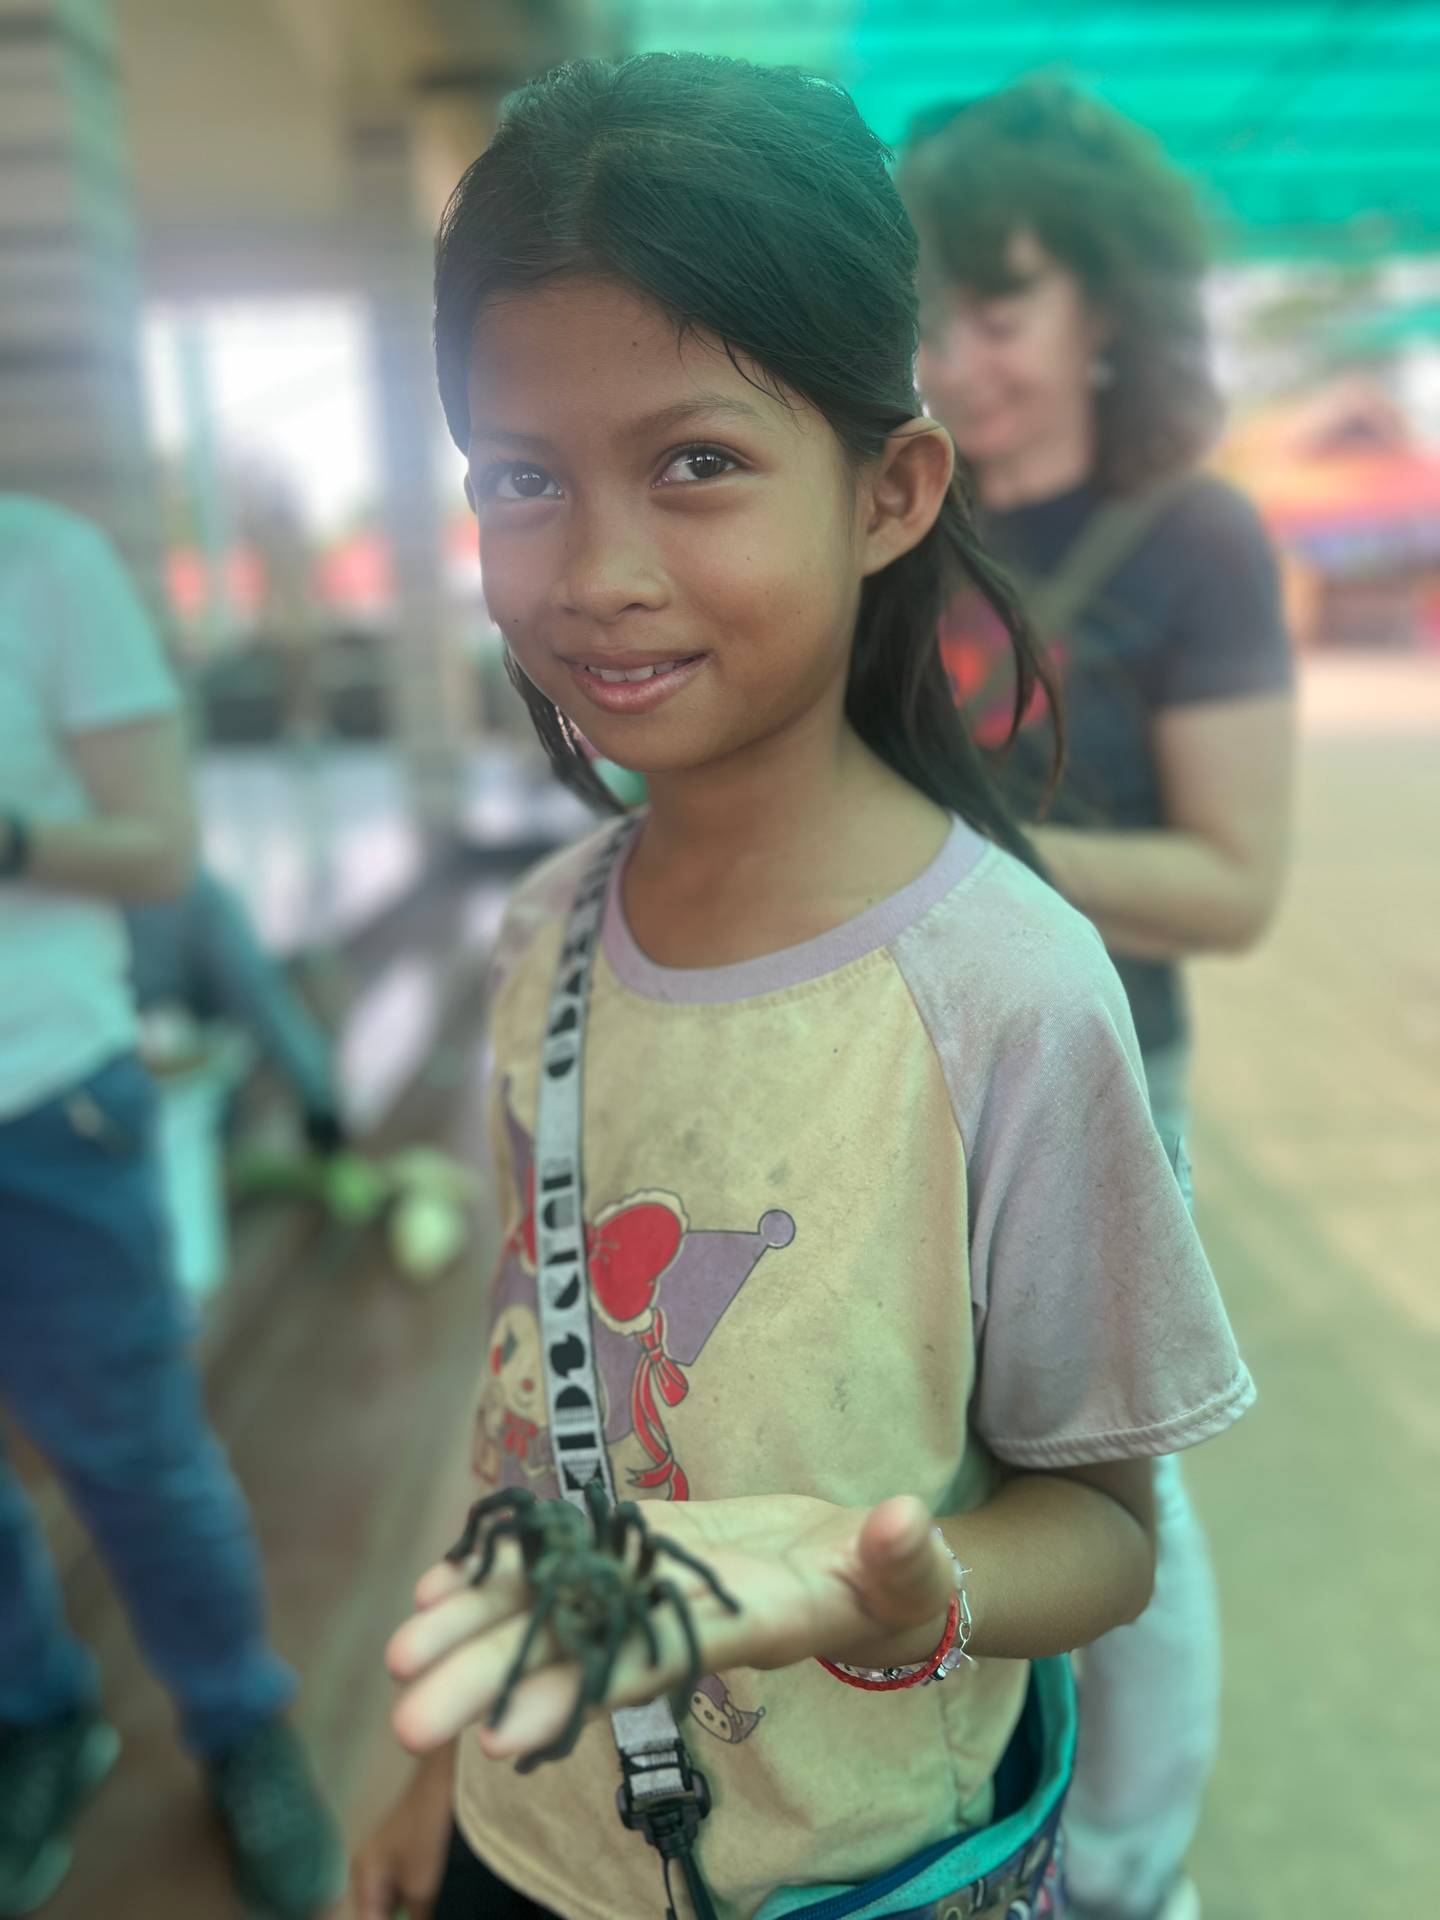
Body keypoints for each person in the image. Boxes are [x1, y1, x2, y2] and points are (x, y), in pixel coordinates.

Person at [348, 55, 1256, 1920]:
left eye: (697, 463)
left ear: (888, 491)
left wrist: (894, 1589)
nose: (599, 572)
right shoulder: (544, 935)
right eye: (521, 478)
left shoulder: (1008, 991)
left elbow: (1107, 1533)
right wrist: (431, 1762)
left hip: (849, 1874)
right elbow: (532, 1378)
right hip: (523, 1836)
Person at [897, 82, 1296, 1920]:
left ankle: (1128, 1872)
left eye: (1002, 311)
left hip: (1108, 1082)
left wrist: (973, 854)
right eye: (932, 315)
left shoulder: (1191, 537)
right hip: (897, 1076)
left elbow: (1235, 882)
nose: (960, 359)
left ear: (1106, 313)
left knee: (1124, 1495)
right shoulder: (901, 514)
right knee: (949, 1465)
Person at [0, 496, 344, 1918]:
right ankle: (37, 1716)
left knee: (136, 1459)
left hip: (43, 1103)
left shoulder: (46, 563)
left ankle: (242, 1724)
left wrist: (11, 839)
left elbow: (161, 850)